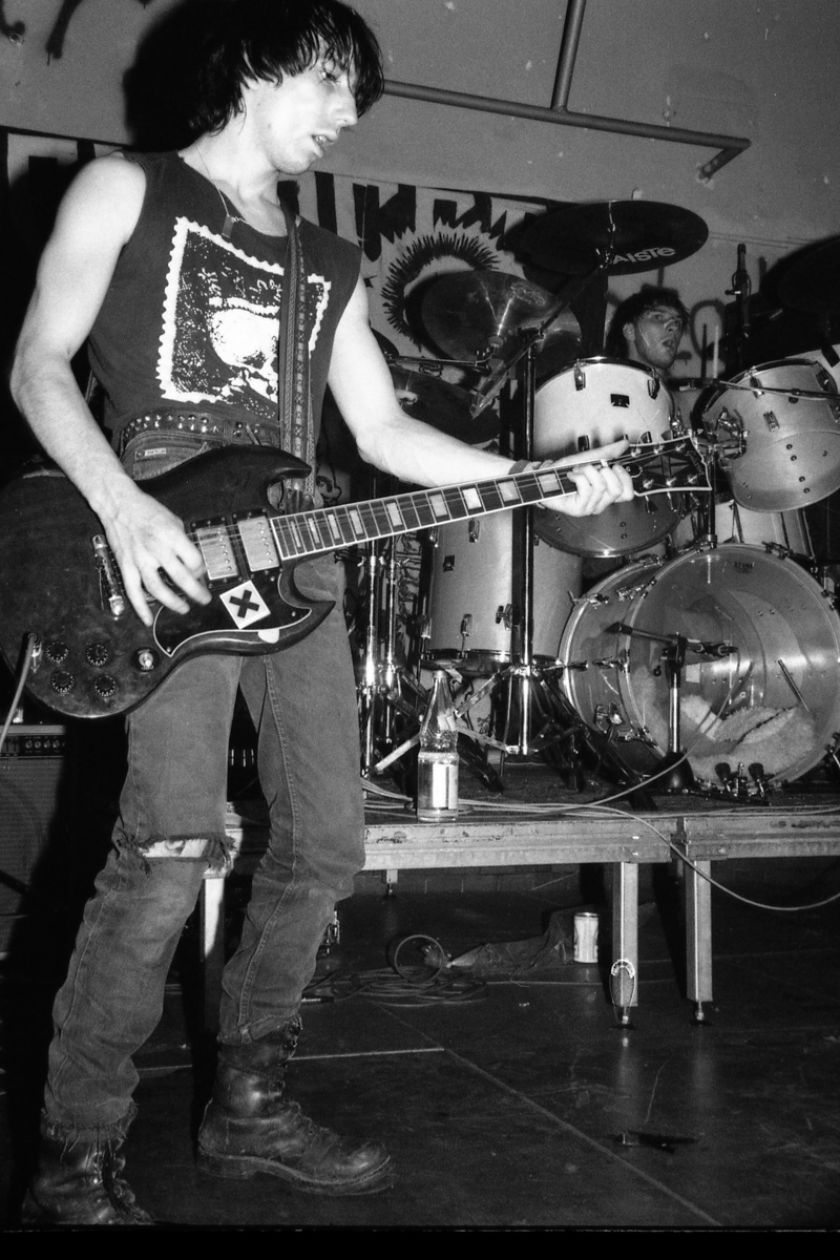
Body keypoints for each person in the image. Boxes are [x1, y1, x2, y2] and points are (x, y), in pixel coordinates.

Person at [9, 0, 633, 1227]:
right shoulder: (126, 190)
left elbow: (384, 432)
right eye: (333, 84)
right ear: (259, 63)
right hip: (163, 559)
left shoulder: (327, 261)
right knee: (168, 849)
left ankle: (248, 1106)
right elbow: (38, 364)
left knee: (327, 847)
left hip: (294, 567)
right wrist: (127, 511)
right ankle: (73, 1158)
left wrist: (541, 478)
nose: (347, 117)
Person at [604, 284, 690, 380]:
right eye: (658, 317)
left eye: (677, 322)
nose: (674, 327)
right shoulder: (606, 385)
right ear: (630, 331)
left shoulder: (686, 390)